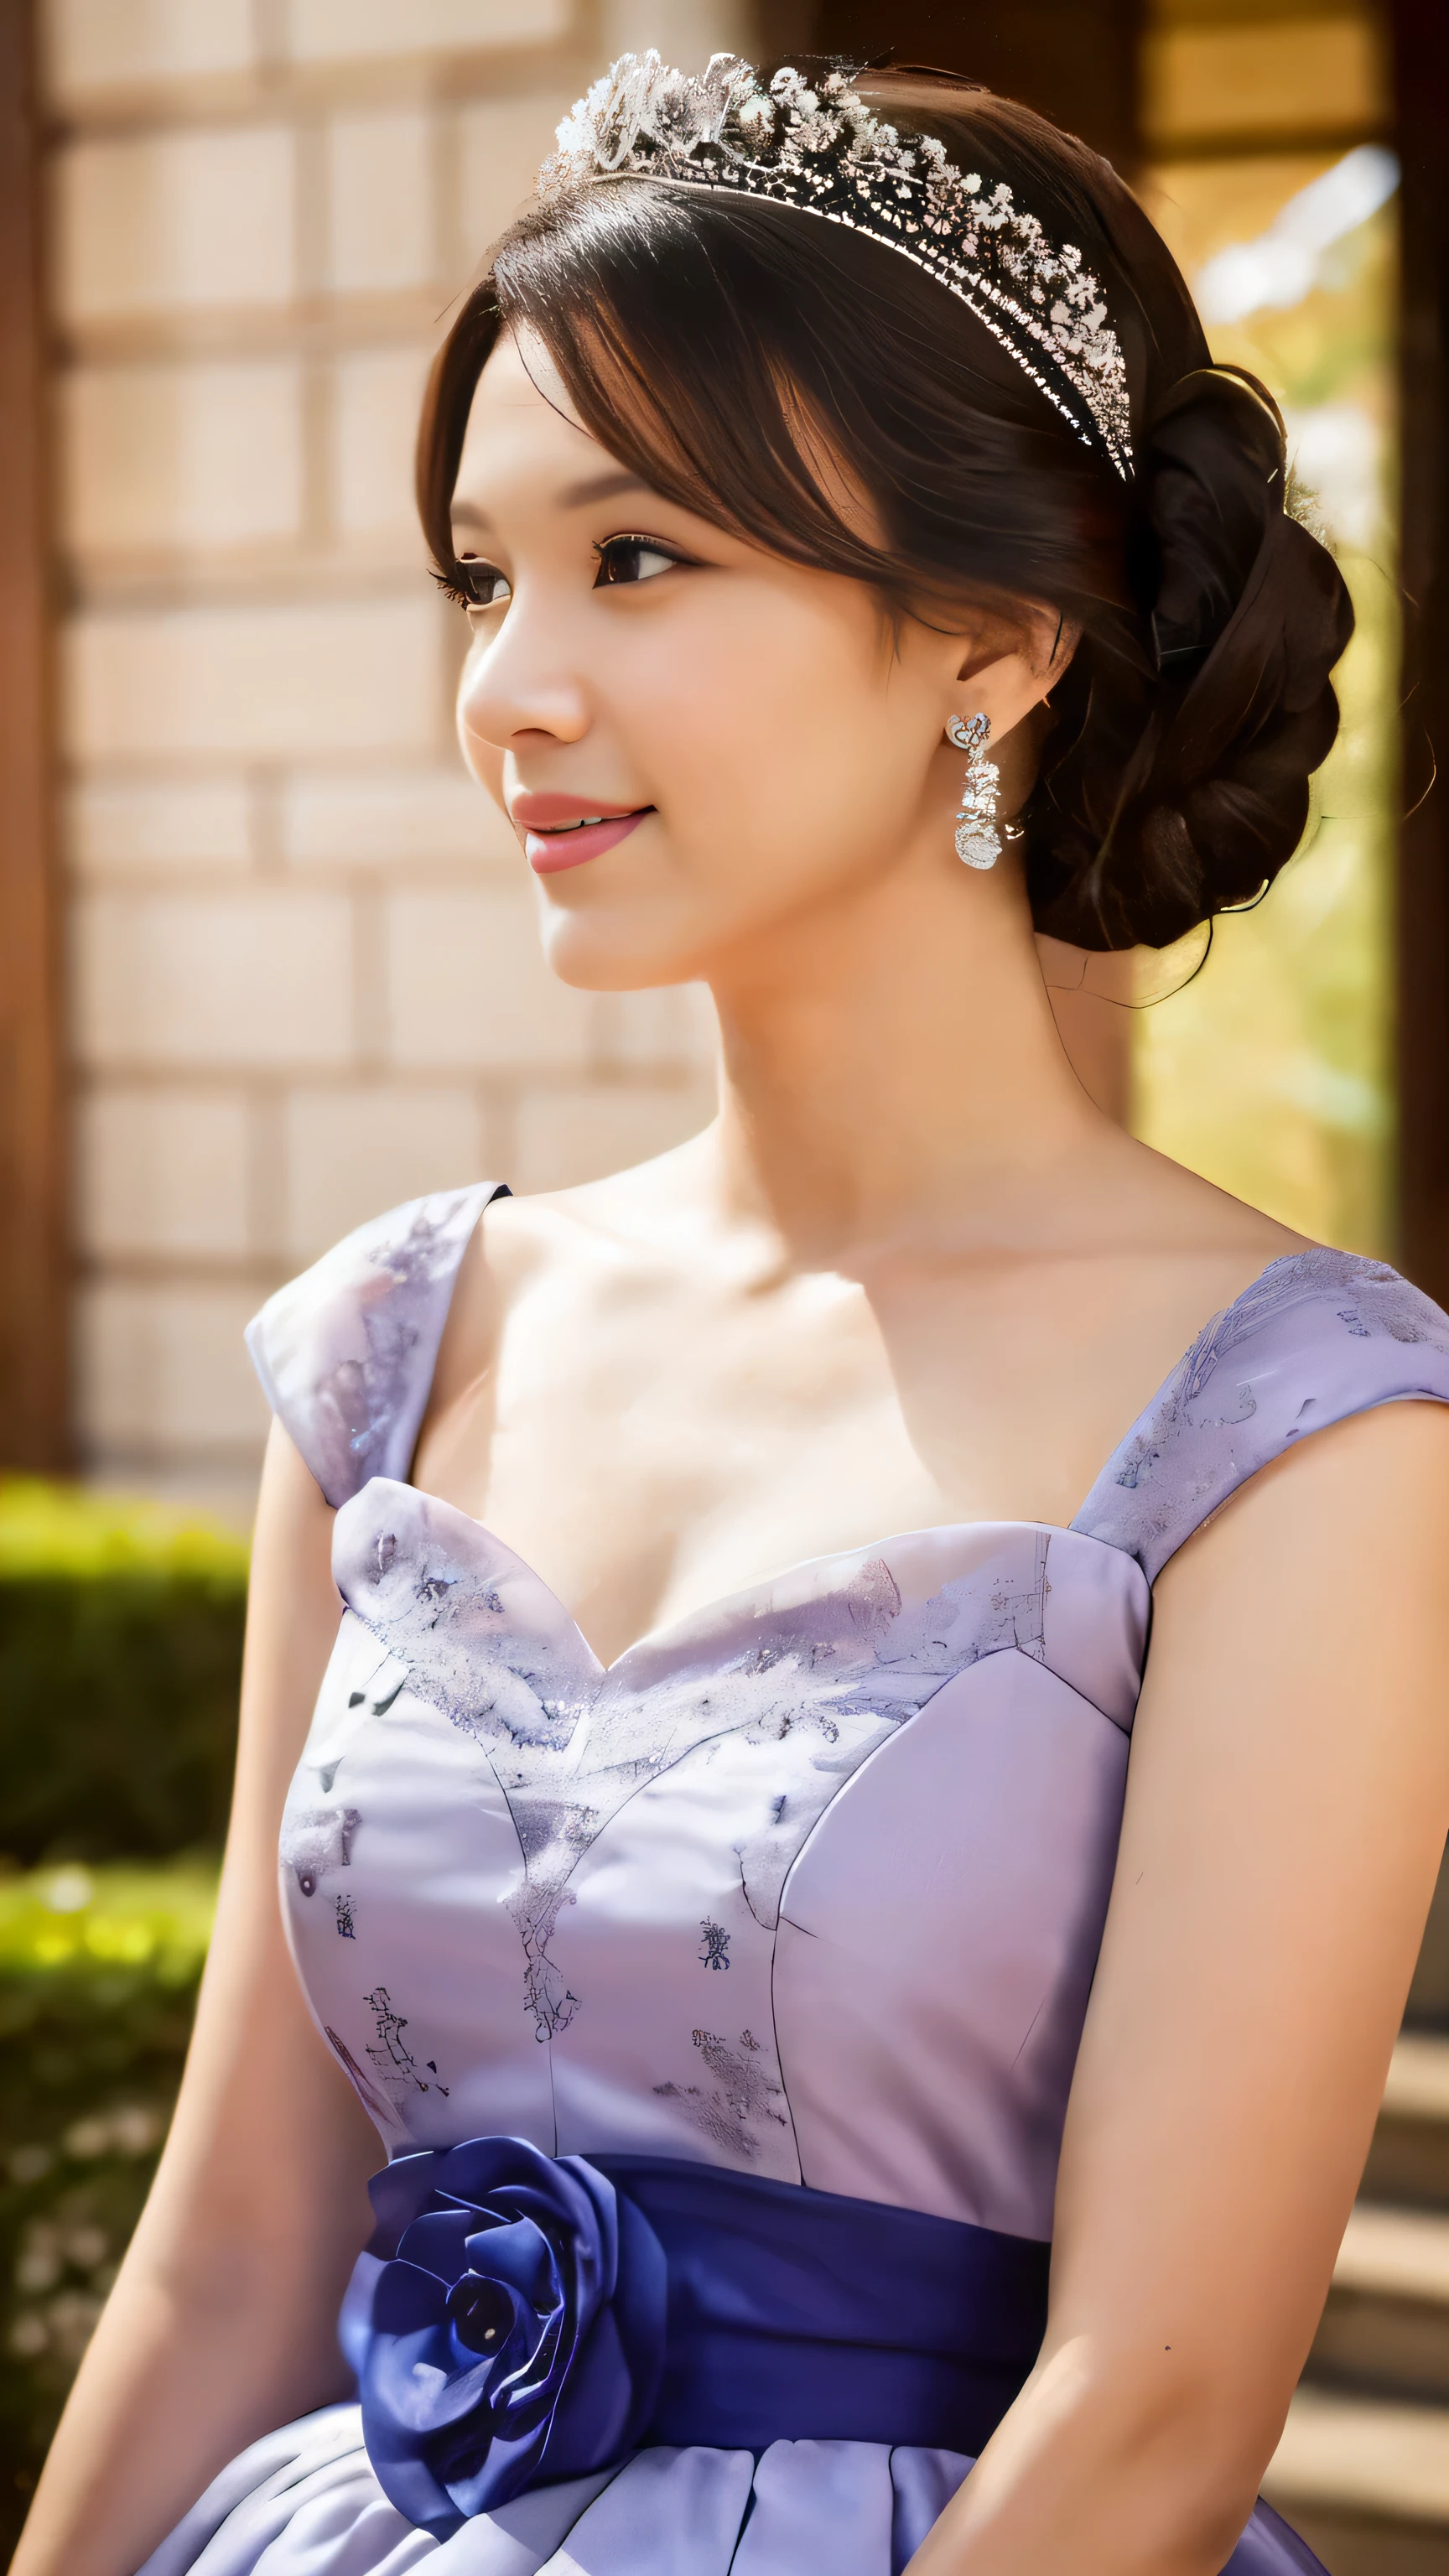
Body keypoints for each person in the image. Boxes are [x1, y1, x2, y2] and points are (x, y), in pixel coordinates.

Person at [16, 52, 1449, 2576]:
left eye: (642, 561)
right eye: (484, 575)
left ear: (990, 648)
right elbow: (232, 2253)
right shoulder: (389, 1346)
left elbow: (1165, 2398)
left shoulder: (1303, 1426)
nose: (512, 688)